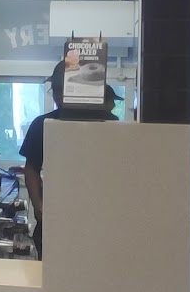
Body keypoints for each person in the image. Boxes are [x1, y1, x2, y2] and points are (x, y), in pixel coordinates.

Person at [19, 59, 119, 245]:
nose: (57, 96)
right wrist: (40, 207)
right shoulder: (43, 125)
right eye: (55, 90)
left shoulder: (111, 126)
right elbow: (31, 168)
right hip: (55, 218)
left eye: (60, 89)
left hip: (98, 220)